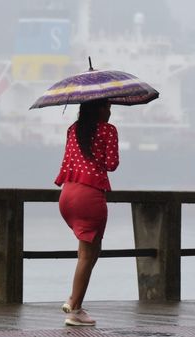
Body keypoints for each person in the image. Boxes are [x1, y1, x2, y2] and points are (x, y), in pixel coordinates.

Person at [54, 99, 119, 326]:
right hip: (89, 195)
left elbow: (67, 162)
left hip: (67, 194)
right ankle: (75, 308)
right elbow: (112, 164)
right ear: (98, 109)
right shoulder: (108, 130)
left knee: (92, 249)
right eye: (107, 107)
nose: (110, 112)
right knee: (87, 254)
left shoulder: (73, 129)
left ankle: (75, 300)